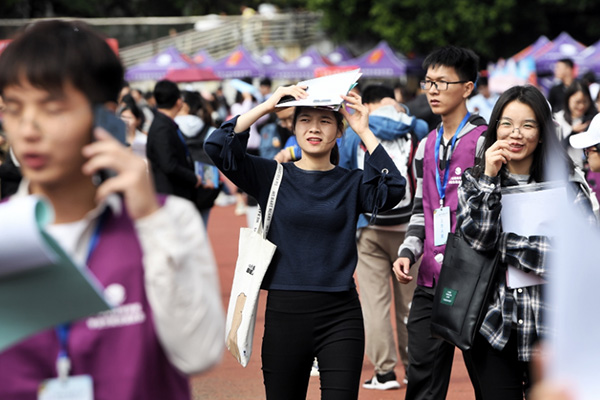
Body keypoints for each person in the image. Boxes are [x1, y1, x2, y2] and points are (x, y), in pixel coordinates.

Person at [0, 19, 224, 399]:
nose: (28, 129)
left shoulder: (167, 220)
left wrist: (151, 223)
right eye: (14, 109)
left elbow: (199, 354)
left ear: (104, 116)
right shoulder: (6, 229)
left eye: (52, 108)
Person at [205, 84, 406, 399]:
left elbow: (394, 188)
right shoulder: (271, 175)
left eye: (325, 121)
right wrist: (268, 104)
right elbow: (217, 145)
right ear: (292, 127)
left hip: (341, 314)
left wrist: (364, 131)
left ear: (339, 130)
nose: (314, 128)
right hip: (285, 314)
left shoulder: (351, 182)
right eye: (305, 120)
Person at [457, 85, 597, 400]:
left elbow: (570, 258)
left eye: (528, 125)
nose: (515, 134)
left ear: (543, 133)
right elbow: (477, 237)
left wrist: (502, 244)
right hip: (494, 328)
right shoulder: (474, 182)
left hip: (555, 333)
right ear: (495, 129)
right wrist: (490, 178)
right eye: (506, 124)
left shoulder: (569, 186)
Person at [392, 45, 488, 400]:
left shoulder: (484, 142)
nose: (432, 90)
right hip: (431, 279)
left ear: (467, 87)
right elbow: (422, 210)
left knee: (491, 382)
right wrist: (408, 252)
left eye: (442, 82)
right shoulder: (426, 145)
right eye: (428, 82)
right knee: (422, 382)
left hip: (477, 284)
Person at [339, 83, 424, 390]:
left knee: (375, 304)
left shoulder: (354, 133)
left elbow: (347, 174)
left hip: (370, 227)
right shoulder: (414, 126)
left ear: (368, 102)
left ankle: (385, 372)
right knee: (410, 304)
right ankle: (415, 368)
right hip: (409, 230)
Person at [146, 80, 202, 203]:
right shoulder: (162, 127)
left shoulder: (164, 123)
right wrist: (193, 178)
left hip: (172, 192)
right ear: (178, 101)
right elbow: (169, 165)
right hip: (170, 194)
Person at [175, 90, 220, 225]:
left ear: (184, 106)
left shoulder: (171, 127)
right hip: (207, 184)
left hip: (182, 184)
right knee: (202, 229)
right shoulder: (210, 129)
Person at [553, 80, 597, 168]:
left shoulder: (591, 121)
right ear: (568, 99)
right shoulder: (557, 120)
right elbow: (554, 150)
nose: (581, 106)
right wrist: (573, 132)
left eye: (585, 102)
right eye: (578, 102)